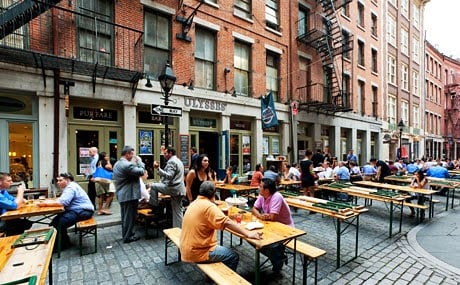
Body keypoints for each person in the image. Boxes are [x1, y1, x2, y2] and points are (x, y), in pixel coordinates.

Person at [180, 181, 262, 271]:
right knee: (233, 256)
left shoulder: (194, 203)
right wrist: (248, 234)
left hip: (186, 248)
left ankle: (210, 277)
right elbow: (227, 222)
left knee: (219, 247)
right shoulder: (209, 206)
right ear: (213, 194)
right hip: (198, 252)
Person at [37, 172, 94, 249]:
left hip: (83, 211)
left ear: (67, 180)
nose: (58, 183)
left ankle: (60, 245)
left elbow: (63, 202)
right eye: (57, 181)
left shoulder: (70, 187)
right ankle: (64, 242)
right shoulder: (71, 186)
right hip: (80, 210)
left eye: (60, 180)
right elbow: (63, 200)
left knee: (58, 224)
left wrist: (45, 204)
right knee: (55, 222)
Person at [252, 178, 293, 272]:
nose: (258, 188)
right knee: (253, 240)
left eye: (260, 186)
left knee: (269, 245)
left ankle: (278, 262)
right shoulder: (262, 195)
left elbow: (273, 217)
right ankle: (279, 256)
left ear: (267, 190)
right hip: (270, 226)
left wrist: (264, 216)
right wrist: (260, 216)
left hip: (285, 228)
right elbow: (254, 209)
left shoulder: (277, 196)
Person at [112, 146, 145, 243]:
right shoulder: (127, 165)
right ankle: (127, 237)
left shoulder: (117, 164)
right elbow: (141, 172)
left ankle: (127, 234)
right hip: (129, 194)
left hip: (123, 193)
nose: (133, 156)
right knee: (129, 217)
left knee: (125, 216)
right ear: (127, 154)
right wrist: (140, 161)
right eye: (132, 154)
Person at [150, 147, 186, 228]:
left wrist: (158, 169)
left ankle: (154, 208)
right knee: (177, 211)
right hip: (179, 189)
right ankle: (179, 230)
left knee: (153, 186)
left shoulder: (172, 161)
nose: (164, 155)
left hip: (174, 189)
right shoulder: (178, 160)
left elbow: (169, 176)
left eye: (165, 153)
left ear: (170, 153)